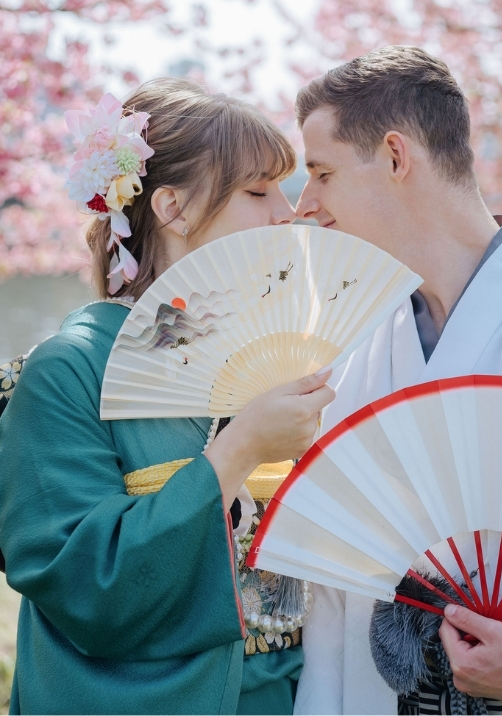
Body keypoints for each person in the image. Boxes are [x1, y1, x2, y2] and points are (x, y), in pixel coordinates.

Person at [0, 79, 336, 714]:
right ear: (174, 208)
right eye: (258, 191)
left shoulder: (268, 361)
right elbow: (87, 588)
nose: (286, 214)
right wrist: (236, 454)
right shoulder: (69, 371)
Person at [290, 46, 502, 715]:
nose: (305, 205)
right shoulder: (350, 351)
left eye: (322, 173)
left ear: (396, 157)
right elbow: (337, 597)